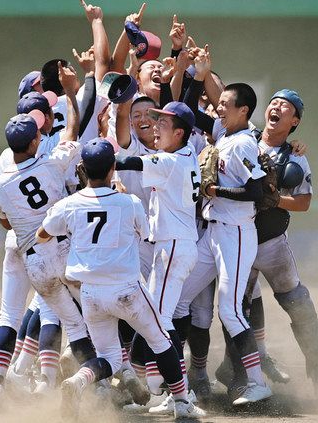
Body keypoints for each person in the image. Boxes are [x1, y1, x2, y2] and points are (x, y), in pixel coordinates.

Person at [37, 138, 206, 420]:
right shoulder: (129, 202)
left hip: (90, 293)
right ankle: (182, 403)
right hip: (126, 290)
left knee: (111, 358)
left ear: (82, 169)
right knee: (161, 339)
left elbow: (44, 234)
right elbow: (144, 233)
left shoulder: (69, 205)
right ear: (113, 168)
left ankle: (78, 381)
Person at [0, 68, 96, 410]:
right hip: (58, 247)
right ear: (35, 135)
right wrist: (72, 95)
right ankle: (77, 380)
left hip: (22, 249)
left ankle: (0, 383)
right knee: (75, 316)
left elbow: (1, 220)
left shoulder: (0, 172)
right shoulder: (50, 162)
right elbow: (74, 132)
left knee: (8, 315)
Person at [174, 49, 272, 405]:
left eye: (226, 104)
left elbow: (256, 191)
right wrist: (196, 75)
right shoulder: (221, 132)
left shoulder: (245, 141)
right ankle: (179, 383)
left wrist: (216, 190)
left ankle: (259, 381)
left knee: (229, 311)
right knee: (179, 297)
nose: (219, 108)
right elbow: (185, 113)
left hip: (237, 232)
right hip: (213, 231)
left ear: (244, 110)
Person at [114, 101, 201, 413]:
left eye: (163, 122)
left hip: (173, 246)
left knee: (159, 323)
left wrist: (99, 158)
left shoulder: (170, 160)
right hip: (174, 245)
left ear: (179, 132)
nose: (155, 125)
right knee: (154, 321)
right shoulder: (186, 152)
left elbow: (131, 162)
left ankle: (182, 396)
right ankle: (161, 392)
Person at [247, 89, 318, 396]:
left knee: (299, 305)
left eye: (286, 106)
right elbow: (225, 102)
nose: (277, 107)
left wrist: (275, 200)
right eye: (274, 102)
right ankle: (240, 376)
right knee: (237, 309)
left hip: (271, 243)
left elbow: (304, 202)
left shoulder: (295, 157)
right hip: (237, 239)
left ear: (293, 122)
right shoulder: (245, 139)